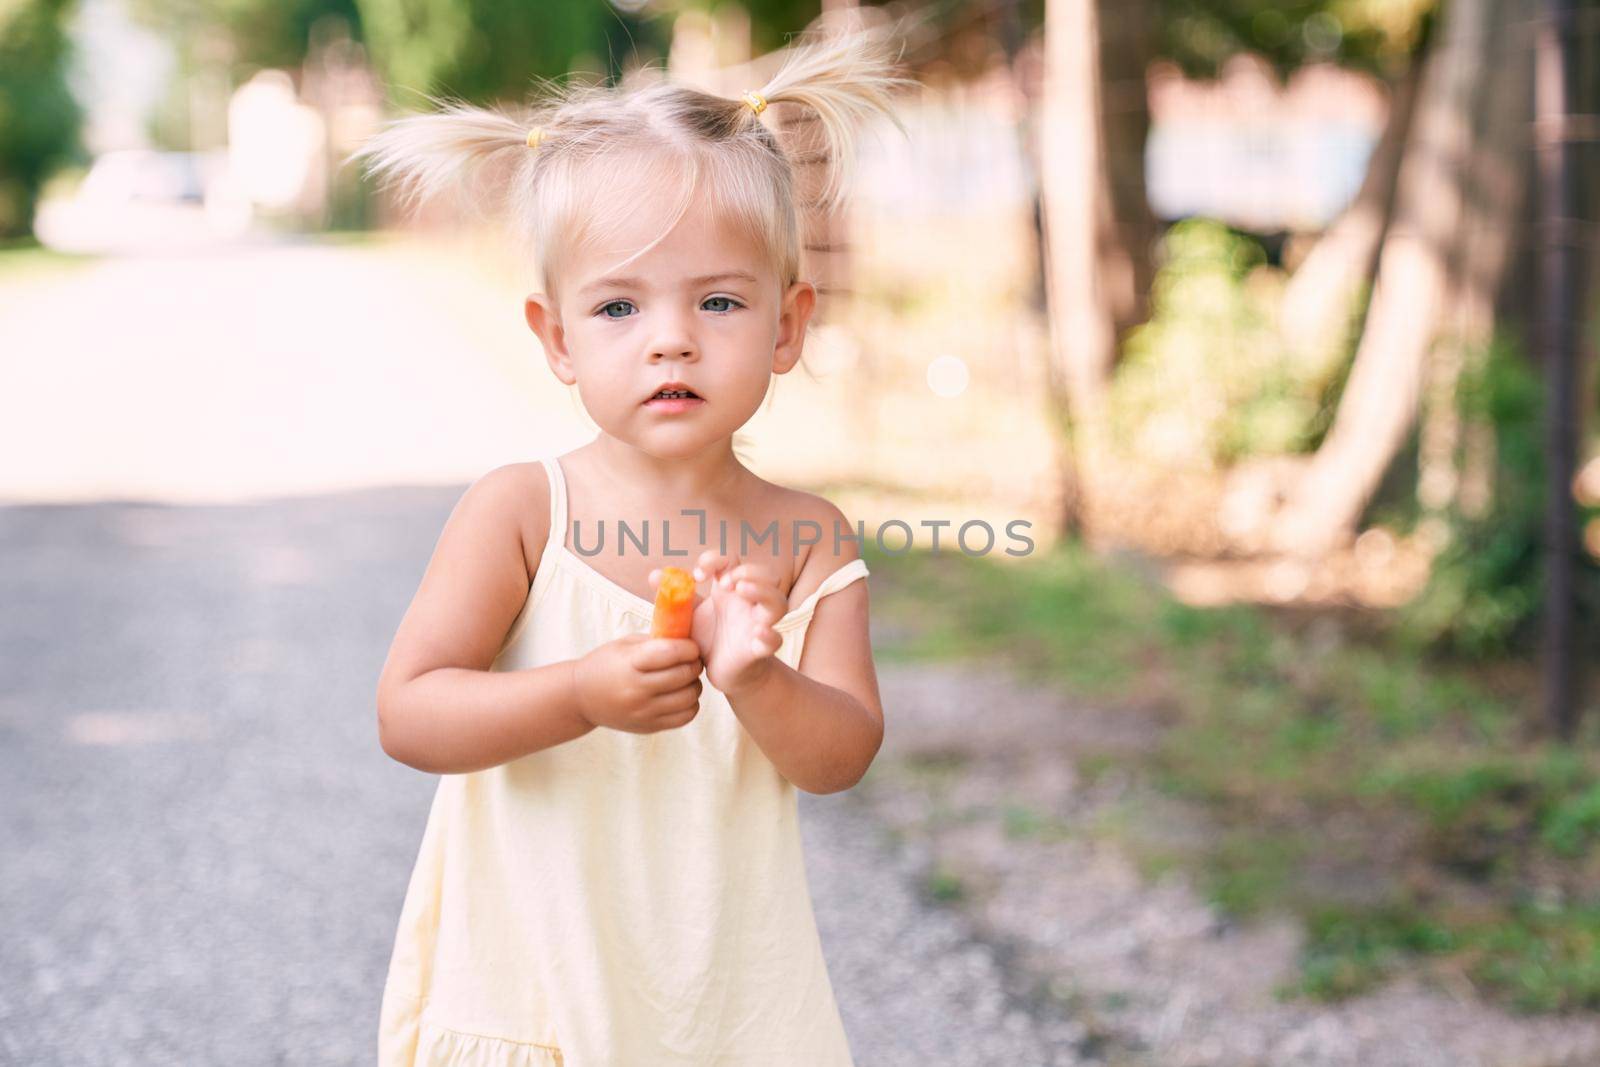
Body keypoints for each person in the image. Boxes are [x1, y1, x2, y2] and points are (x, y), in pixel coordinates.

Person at [353, 22, 914, 1067]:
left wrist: (758, 679)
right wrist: (576, 692)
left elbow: (841, 756)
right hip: (536, 993)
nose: (671, 337)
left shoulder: (807, 536)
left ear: (787, 325)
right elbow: (410, 711)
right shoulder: (521, 511)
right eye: (618, 304)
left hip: (727, 1013)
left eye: (717, 300)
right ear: (557, 336)